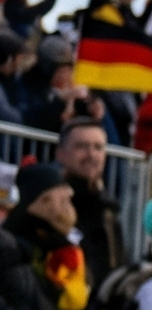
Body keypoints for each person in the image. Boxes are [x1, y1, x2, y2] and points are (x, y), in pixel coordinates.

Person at [1, 161, 77, 310]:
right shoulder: (13, 251)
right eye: (63, 201)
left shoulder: (65, 247)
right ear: (42, 201)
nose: (70, 210)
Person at [54, 117, 117, 287]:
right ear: (61, 154)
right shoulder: (51, 205)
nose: (91, 155)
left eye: (98, 147)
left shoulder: (108, 208)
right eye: (81, 146)